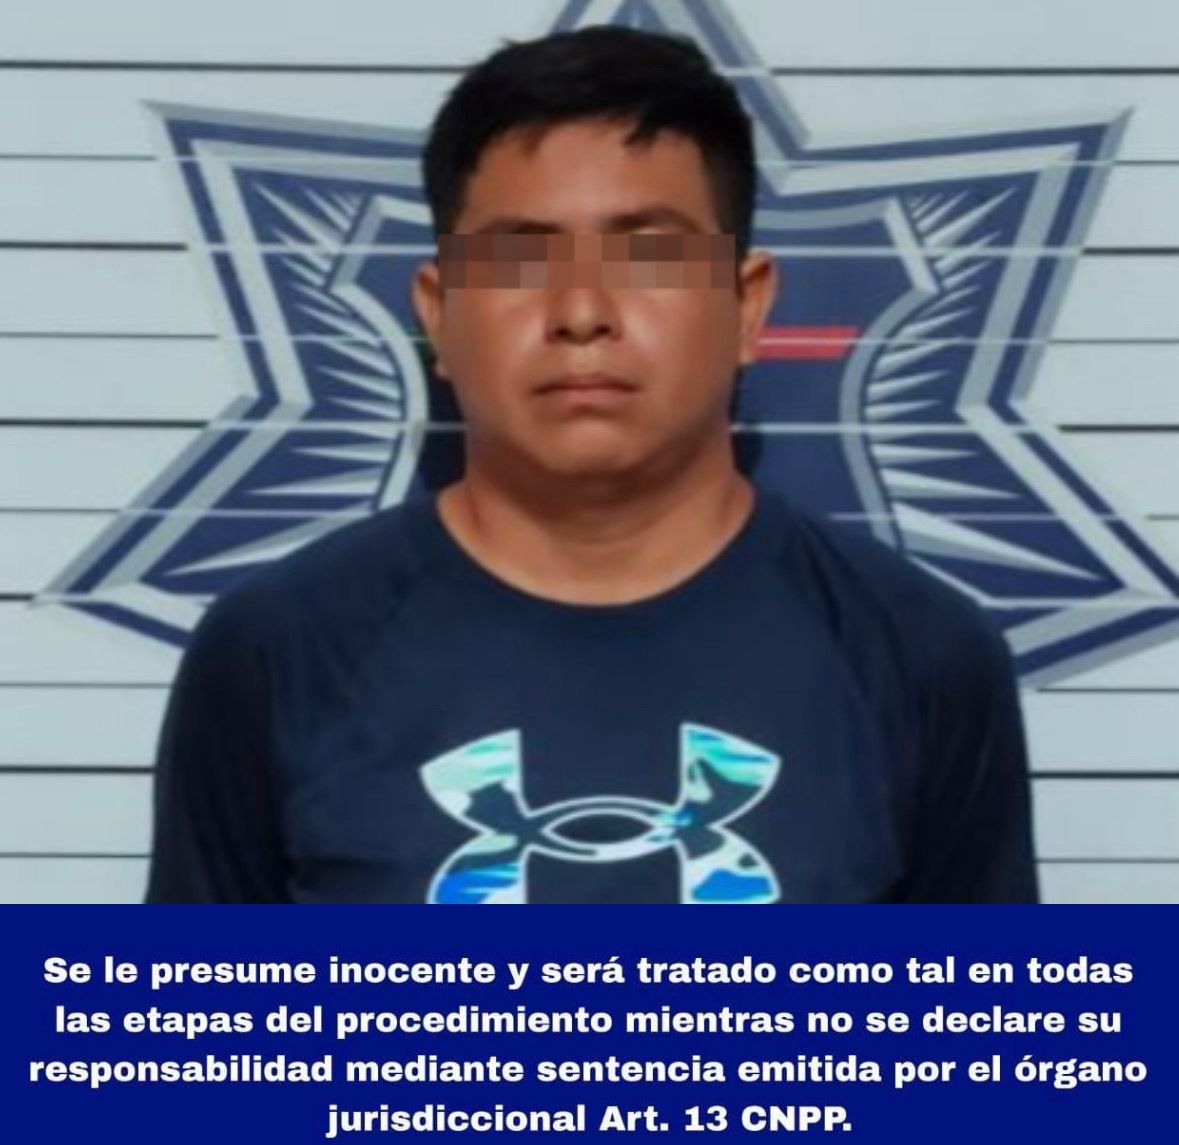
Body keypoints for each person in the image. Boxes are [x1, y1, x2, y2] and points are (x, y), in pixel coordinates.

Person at [144, 25, 1038, 904]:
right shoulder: (277, 651)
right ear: (439, 313)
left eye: (647, 254)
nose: (580, 312)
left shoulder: (920, 654)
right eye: (519, 258)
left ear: (746, 305)